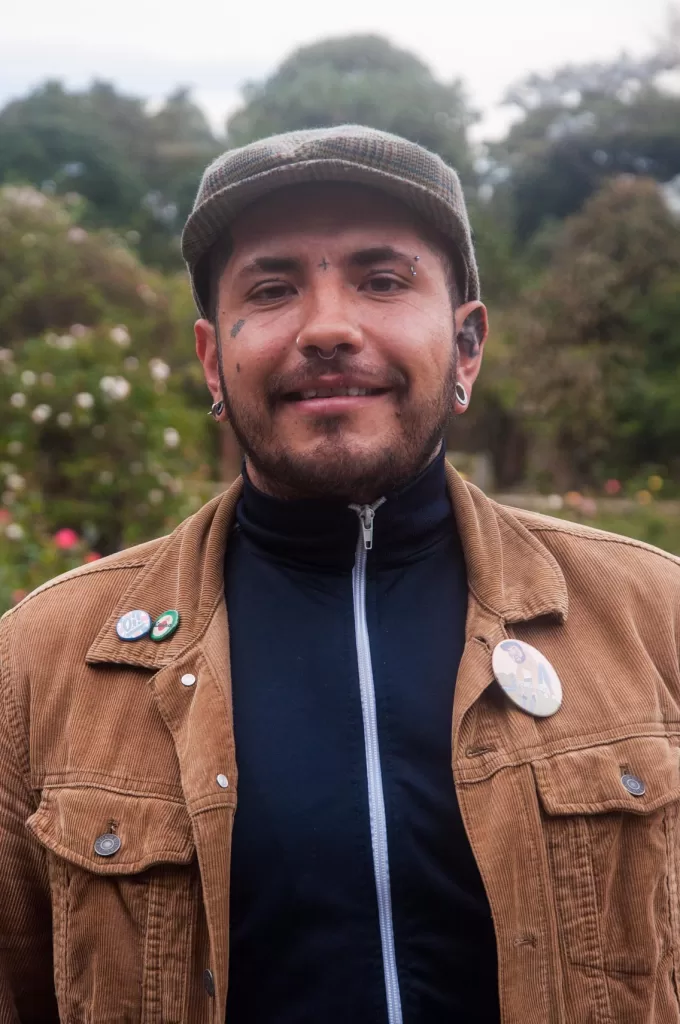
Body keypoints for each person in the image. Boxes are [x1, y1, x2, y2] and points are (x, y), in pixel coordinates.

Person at [1, 126, 679, 1024]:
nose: (327, 327)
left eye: (383, 280)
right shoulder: (41, 663)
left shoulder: (654, 617)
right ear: (212, 359)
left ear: (466, 345)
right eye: (272, 289)